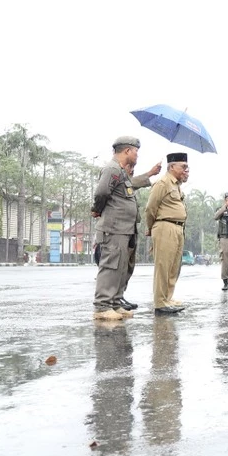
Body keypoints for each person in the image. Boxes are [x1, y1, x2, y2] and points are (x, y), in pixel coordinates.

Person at [90, 136, 161, 321]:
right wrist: (97, 210)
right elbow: (101, 192)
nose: (137, 154)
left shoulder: (121, 172)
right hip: (114, 227)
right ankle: (102, 306)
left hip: (125, 228)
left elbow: (131, 185)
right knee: (111, 265)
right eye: (136, 151)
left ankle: (114, 303)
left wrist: (150, 173)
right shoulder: (111, 168)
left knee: (122, 267)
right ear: (127, 151)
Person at [144, 152, 190, 315]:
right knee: (163, 266)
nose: (187, 170)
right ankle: (160, 302)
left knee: (174, 267)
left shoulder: (176, 185)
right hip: (165, 227)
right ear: (172, 167)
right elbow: (151, 208)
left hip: (178, 228)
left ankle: (167, 298)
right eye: (183, 167)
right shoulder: (162, 183)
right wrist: (150, 228)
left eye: (187, 167)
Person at [115, 157, 160, 311]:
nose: (132, 171)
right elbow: (133, 182)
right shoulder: (119, 179)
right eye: (130, 167)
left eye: (133, 168)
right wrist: (150, 173)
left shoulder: (129, 185)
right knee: (120, 267)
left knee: (129, 266)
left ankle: (120, 296)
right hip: (120, 230)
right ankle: (115, 299)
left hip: (131, 229)